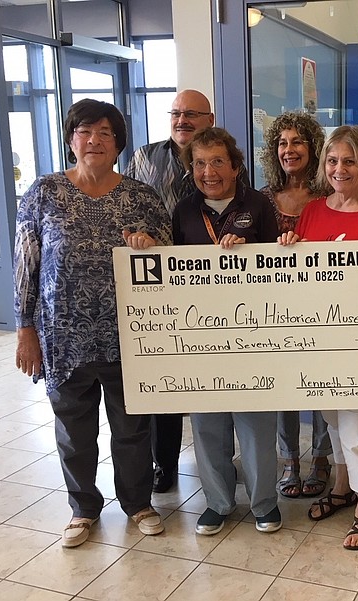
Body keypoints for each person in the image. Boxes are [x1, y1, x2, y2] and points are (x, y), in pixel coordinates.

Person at [14, 99, 172, 548]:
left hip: (131, 335)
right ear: (70, 139)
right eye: (85, 131)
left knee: (132, 429)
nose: (95, 140)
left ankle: (138, 503)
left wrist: (150, 247)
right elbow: (25, 264)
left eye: (105, 132)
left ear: (119, 143)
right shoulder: (44, 193)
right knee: (74, 431)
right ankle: (83, 509)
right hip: (63, 338)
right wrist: (25, 330)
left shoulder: (142, 196)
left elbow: (172, 262)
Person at [279, 125, 358, 550]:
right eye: (332, 160)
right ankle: (342, 487)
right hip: (321, 339)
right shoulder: (312, 211)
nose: (339, 168)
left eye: (349, 160)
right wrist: (289, 248)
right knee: (331, 418)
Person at [125, 89, 248, 493]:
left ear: (209, 119)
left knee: (219, 379)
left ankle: (225, 462)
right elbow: (130, 210)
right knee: (167, 380)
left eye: (191, 114)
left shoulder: (224, 157)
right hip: (162, 285)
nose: (182, 120)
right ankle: (166, 464)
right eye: (176, 113)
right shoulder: (144, 158)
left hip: (216, 286)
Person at [171, 126, 282, 537]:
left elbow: (282, 266)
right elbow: (171, 274)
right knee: (208, 424)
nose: (209, 171)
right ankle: (217, 502)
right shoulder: (183, 212)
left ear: (236, 166)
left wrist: (257, 250)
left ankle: (264, 504)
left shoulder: (259, 205)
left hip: (254, 332)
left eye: (218, 161)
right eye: (199, 163)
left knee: (256, 426)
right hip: (202, 337)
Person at [260, 111, 333, 498]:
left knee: (320, 384)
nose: (289, 150)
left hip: (321, 306)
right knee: (284, 386)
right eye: (283, 143)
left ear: (313, 148)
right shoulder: (261, 199)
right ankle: (289, 459)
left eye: (298, 142)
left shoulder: (330, 196)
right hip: (275, 308)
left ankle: (321, 457)